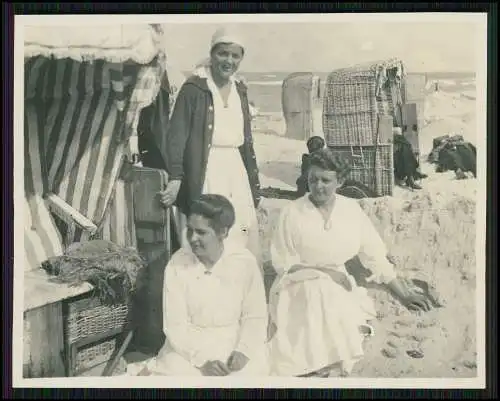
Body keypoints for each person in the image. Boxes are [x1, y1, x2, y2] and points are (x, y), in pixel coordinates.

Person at [268, 148, 435, 377]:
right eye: (312, 179)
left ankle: (328, 363)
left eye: (326, 180)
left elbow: (374, 255)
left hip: (338, 283)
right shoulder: (292, 212)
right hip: (296, 283)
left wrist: (403, 292)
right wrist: (322, 273)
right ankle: (324, 364)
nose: (318, 186)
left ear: (340, 181)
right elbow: (283, 263)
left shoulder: (350, 210)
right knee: (317, 291)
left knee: (330, 298)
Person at [158, 27, 262, 263]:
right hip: (205, 170)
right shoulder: (195, 89)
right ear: (212, 54)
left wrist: (256, 189)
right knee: (205, 231)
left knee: (237, 232)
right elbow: (176, 136)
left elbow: (246, 143)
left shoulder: (240, 90)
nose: (229, 61)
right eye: (223, 54)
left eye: (235, 56)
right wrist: (176, 177)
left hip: (236, 171)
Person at [144, 194, 270, 376]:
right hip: (189, 346)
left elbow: (255, 315)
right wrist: (201, 361)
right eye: (189, 230)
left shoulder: (244, 261)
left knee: (252, 372)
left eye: (201, 232)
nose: (192, 238)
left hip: (233, 340)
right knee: (179, 373)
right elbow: (175, 325)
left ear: (223, 232)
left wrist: (244, 350)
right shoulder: (177, 263)